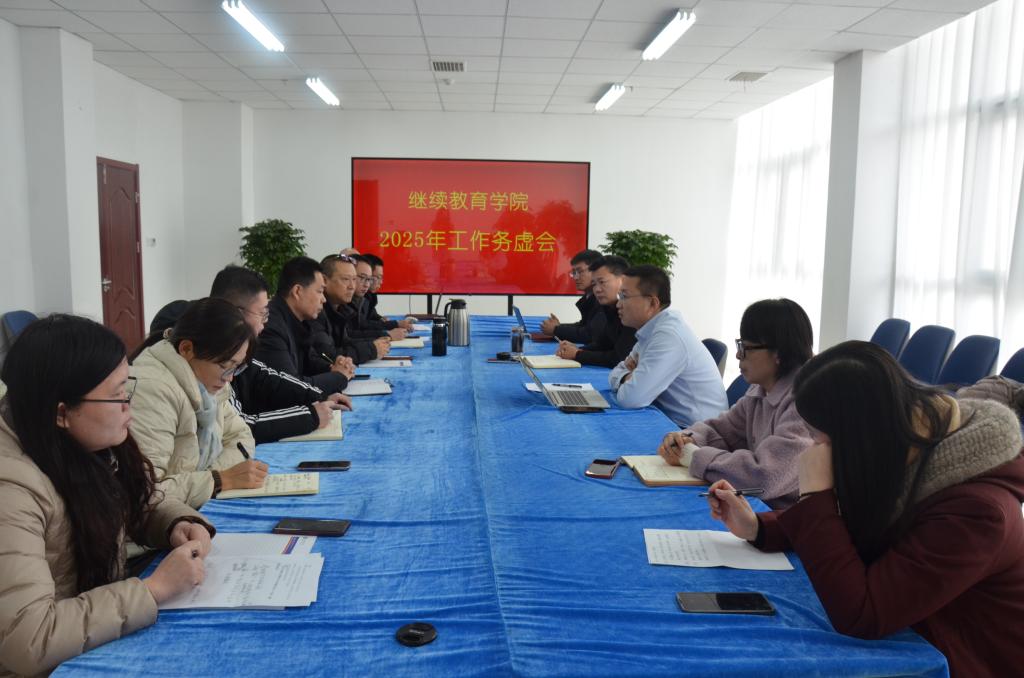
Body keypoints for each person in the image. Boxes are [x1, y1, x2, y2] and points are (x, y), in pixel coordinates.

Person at [707, 341, 1024, 676]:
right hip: (918, 631)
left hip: (963, 660)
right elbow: (853, 513)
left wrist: (814, 496)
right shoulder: (908, 442)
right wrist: (758, 527)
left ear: (858, 436)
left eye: (822, 438)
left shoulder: (979, 512)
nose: (816, 448)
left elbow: (862, 615)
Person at [0, 315, 214, 675]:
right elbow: (29, 639)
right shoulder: (11, 488)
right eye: (117, 396)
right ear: (62, 412)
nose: (129, 406)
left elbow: (133, 499)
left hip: (86, 637)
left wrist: (176, 522)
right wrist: (152, 590)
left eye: (126, 388)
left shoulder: (76, 440)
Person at [150, 265, 353, 444]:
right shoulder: (205, 353)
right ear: (235, 313)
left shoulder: (232, 348)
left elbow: (265, 377)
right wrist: (310, 416)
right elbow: (240, 425)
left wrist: (319, 397)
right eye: (263, 313)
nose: (266, 322)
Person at [656, 298, 814, 507]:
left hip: (791, 517)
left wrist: (692, 456)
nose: (739, 355)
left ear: (778, 353)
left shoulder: (806, 402)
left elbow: (765, 477)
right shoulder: (760, 390)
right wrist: (685, 439)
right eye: (739, 345)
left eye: (746, 347)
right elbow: (721, 430)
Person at [131, 298, 267, 509]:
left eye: (236, 367)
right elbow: (144, 493)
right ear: (186, 349)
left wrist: (215, 476)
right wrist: (220, 480)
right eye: (225, 365)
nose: (230, 377)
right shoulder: (152, 391)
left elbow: (241, 437)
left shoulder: (208, 385)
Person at [610, 265, 727, 429]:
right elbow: (615, 372)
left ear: (652, 303)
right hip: (670, 420)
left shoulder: (668, 336)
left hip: (695, 432)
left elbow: (629, 399)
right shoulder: (651, 329)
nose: (618, 304)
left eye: (624, 296)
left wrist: (628, 377)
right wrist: (627, 377)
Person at [256, 256, 355, 394]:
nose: (323, 299)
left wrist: (332, 368)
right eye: (320, 291)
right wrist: (339, 377)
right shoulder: (271, 326)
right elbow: (290, 387)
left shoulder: (296, 319)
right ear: (297, 291)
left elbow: (309, 361)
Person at [555, 255, 637, 367]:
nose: (597, 289)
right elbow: (604, 344)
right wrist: (578, 349)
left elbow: (619, 358)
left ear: (622, 280)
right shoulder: (610, 308)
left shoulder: (633, 311)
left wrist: (578, 354)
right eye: (594, 284)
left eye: (602, 282)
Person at [316, 254, 390, 364]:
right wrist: (371, 349)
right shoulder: (316, 311)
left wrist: (375, 344)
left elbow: (345, 342)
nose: (352, 286)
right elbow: (327, 356)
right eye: (346, 279)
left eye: (354, 279)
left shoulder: (340, 309)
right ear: (324, 281)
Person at [540, 248, 605, 343]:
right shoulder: (589, 297)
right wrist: (558, 327)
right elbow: (583, 325)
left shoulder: (604, 298)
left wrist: (556, 330)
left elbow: (589, 335)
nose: (576, 277)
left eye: (580, 271)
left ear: (596, 271)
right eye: (574, 273)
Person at [350, 255, 406, 340]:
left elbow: (369, 318)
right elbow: (354, 331)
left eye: (369, 279)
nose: (366, 284)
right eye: (362, 277)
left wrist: (381, 320)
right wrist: (388, 333)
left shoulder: (364, 297)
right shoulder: (345, 301)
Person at [362, 252, 415, 333]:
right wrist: (393, 327)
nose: (381, 282)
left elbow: (371, 315)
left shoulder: (370, 295)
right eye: (378, 277)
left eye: (381, 277)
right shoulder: (356, 297)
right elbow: (362, 325)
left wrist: (380, 319)